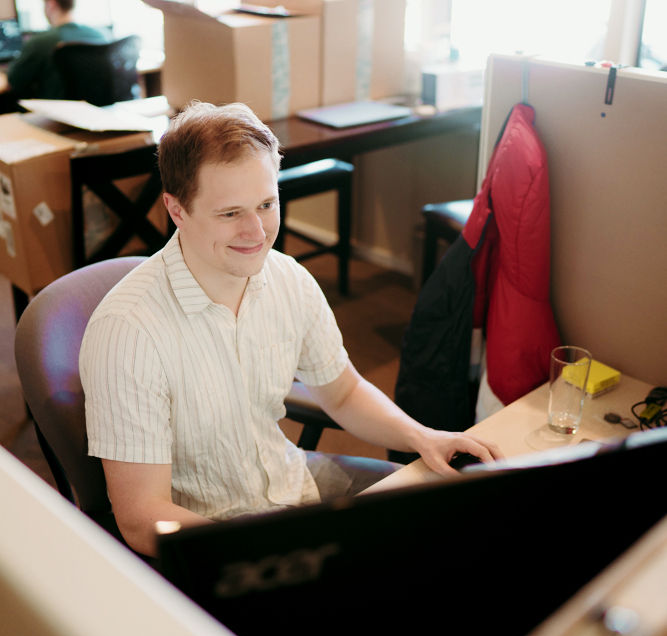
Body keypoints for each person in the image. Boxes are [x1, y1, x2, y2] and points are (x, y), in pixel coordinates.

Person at [79, 101, 502, 558]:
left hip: (290, 480)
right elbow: (142, 518)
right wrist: (269, 551)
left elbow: (341, 393)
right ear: (176, 210)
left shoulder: (287, 278)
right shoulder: (128, 332)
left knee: (450, 517)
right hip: (212, 538)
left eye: (266, 203)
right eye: (230, 214)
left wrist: (423, 436)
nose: (257, 230)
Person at [0, 0, 108, 99]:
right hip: (95, 112)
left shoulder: (40, 42)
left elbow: (11, 82)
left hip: (56, 115)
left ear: (51, 4)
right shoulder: (100, 35)